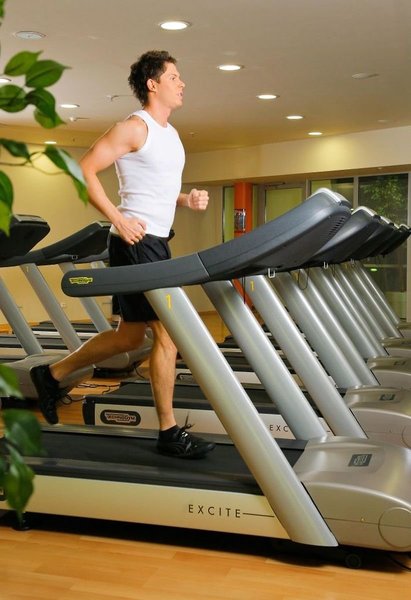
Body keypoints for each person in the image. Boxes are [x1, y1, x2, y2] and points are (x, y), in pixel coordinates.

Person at [31, 50, 215, 459]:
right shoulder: (134, 127)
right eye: (174, 77)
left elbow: (158, 190)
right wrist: (118, 217)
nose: (182, 83)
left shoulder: (171, 134)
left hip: (155, 241)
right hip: (135, 242)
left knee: (130, 336)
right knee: (168, 334)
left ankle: (52, 375)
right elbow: (83, 170)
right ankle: (168, 432)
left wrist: (186, 199)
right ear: (152, 84)